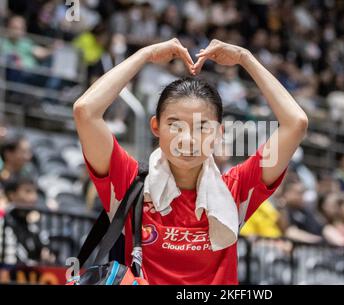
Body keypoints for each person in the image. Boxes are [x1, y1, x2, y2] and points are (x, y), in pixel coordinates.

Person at [73, 38, 308, 284]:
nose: (187, 139)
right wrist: (145, 54)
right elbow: (85, 111)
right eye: (175, 125)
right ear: (156, 126)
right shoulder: (130, 182)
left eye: (202, 127)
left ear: (219, 133)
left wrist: (245, 58)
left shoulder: (236, 189)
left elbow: (296, 123)